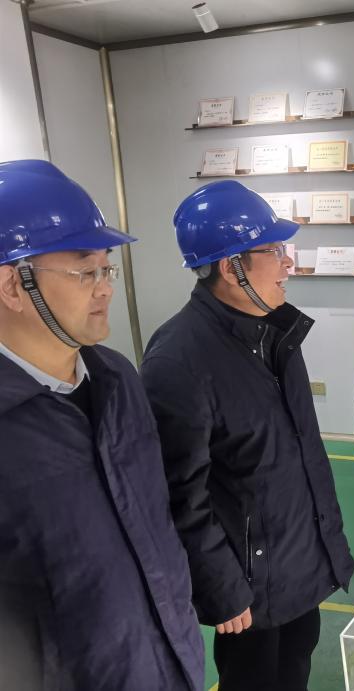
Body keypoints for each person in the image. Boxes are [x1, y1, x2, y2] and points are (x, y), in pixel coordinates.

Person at [141, 180, 354, 691]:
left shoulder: (275, 332)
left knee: (296, 668)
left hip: (299, 564)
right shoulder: (178, 360)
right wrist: (221, 586)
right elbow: (177, 495)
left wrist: (324, 550)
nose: (288, 263)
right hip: (248, 588)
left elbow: (301, 455)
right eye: (274, 250)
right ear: (230, 266)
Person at [0, 159, 203, 690]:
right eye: (85, 271)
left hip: (168, 660)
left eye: (106, 269)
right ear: (13, 286)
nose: (106, 288)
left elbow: (154, 519)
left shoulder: (118, 377)